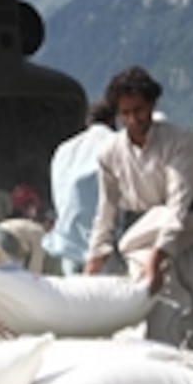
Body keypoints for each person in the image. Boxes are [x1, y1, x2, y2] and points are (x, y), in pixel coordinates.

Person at [84, 66, 193, 374]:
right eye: (125, 113)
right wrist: (96, 255)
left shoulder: (180, 142)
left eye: (139, 110)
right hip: (140, 238)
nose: (133, 119)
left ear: (152, 105)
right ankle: (166, 375)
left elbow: (179, 203)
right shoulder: (110, 153)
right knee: (159, 311)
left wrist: (161, 254)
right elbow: (107, 209)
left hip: (185, 234)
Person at [42, 99, 117, 275]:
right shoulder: (116, 143)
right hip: (102, 247)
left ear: (87, 121)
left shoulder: (64, 149)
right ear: (113, 120)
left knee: (74, 299)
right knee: (103, 299)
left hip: (67, 241)